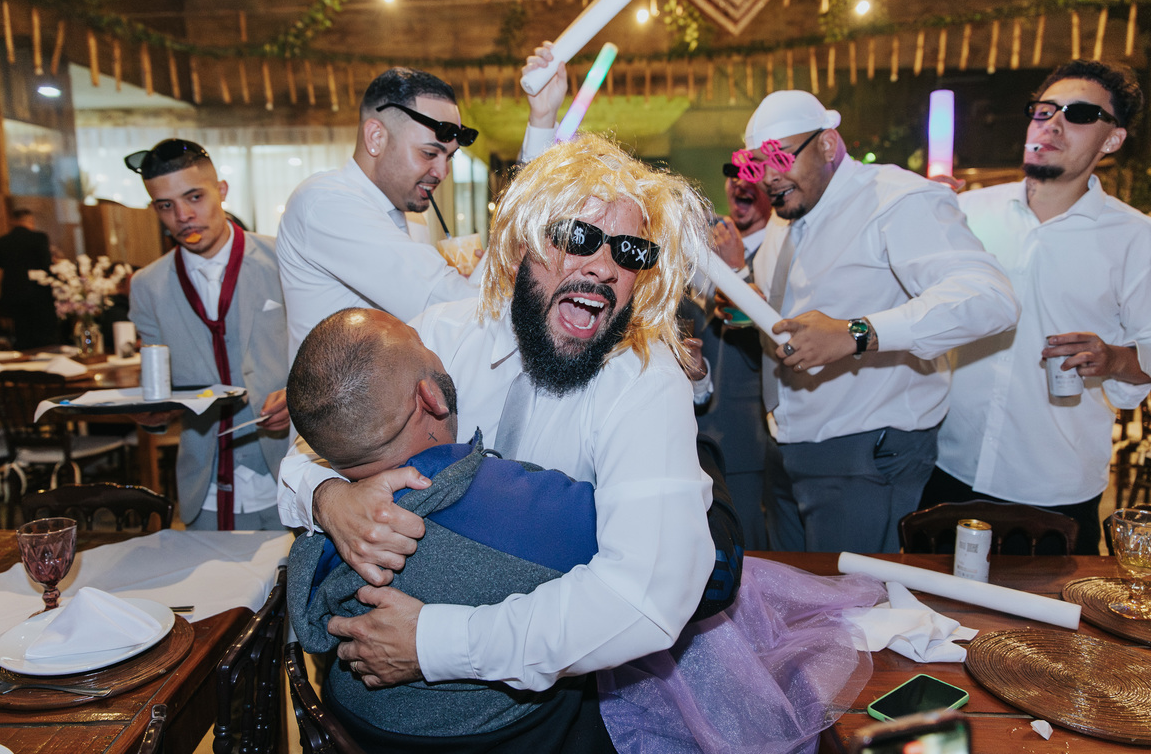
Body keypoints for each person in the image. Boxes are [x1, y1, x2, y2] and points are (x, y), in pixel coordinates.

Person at [288, 308, 871, 754]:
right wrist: (688, 438)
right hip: (508, 735)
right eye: (425, 349)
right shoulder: (513, 507)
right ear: (431, 395)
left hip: (366, 725)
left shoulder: (322, 536)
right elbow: (687, 562)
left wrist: (324, 492)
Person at [278, 136, 717, 719]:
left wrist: (433, 643)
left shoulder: (645, 379)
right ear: (517, 249)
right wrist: (329, 499)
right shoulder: (438, 335)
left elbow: (645, 597)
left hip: (565, 701)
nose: (605, 267)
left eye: (630, 251)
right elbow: (313, 443)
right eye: (578, 237)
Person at [747, 90, 1020, 553]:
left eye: (780, 157)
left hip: (864, 451)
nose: (768, 176)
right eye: (757, 163)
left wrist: (856, 333)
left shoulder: (897, 200)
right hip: (787, 442)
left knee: (853, 598)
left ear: (827, 144)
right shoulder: (787, 213)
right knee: (798, 593)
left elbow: (990, 298)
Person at [925, 60, 1151, 555]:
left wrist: (1113, 358)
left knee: (1043, 610)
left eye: (1080, 114)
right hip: (947, 467)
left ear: (1112, 139)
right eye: (1044, 110)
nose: (1053, 123)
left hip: (1055, 487)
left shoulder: (1136, 238)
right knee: (927, 602)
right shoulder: (967, 212)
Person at [126, 139, 291, 530]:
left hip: (289, 479)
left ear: (222, 190)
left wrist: (299, 398)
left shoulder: (284, 259)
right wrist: (151, 415)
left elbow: (325, 355)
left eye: (194, 197)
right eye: (165, 205)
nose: (183, 216)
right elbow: (157, 385)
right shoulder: (146, 285)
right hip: (205, 492)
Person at [275, 68, 482, 360]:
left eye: (449, 157)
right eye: (428, 153)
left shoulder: (413, 216)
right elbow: (443, 302)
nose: (442, 172)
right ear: (375, 137)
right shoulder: (325, 202)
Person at [680, 172, 774, 549]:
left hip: (743, 440)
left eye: (753, 175)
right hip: (691, 438)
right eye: (732, 175)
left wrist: (735, 273)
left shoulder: (774, 256)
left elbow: (766, 346)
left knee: (749, 554)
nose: (739, 183)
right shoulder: (700, 253)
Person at [0, 208, 58, 349]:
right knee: (42, 330)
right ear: (30, 221)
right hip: (36, 290)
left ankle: (24, 354)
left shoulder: (1, 241)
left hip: (12, 290)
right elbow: (45, 263)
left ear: (12, 221)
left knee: (21, 330)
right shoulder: (38, 237)